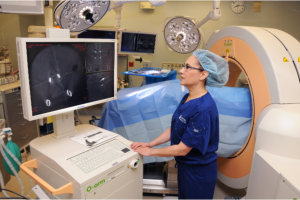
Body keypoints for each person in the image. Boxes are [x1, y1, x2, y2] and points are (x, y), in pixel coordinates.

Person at [130, 49, 229, 199]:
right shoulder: (188, 97)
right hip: (185, 168)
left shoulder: (203, 109)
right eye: (183, 66)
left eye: (187, 67)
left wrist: (151, 153)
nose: (181, 70)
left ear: (203, 74)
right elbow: (176, 128)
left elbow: (182, 149)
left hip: (198, 173)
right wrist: (150, 144)